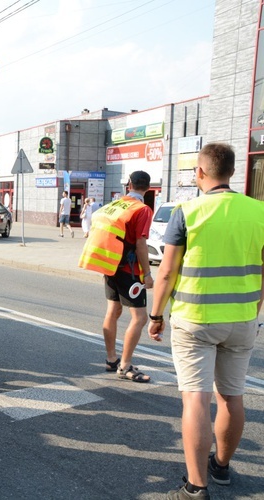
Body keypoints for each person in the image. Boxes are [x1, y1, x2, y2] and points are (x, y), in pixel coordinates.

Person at [147, 144, 264, 500]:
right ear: (232, 172)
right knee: (232, 397)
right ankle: (222, 467)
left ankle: (195, 488)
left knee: (195, 400)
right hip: (242, 317)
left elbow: (166, 272)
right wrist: (256, 307)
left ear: (200, 173)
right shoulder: (258, 211)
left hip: (195, 318)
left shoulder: (187, 212)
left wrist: (155, 316)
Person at [78, 170, 154, 382]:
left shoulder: (114, 205)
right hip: (130, 270)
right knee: (140, 317)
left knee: (113, 310)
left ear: (128, 185)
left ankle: (112, 359)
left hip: (110, 265)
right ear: (147, 188)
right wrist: (147, 274)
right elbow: (140, 243)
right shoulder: (142, 209)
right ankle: (126, 366)